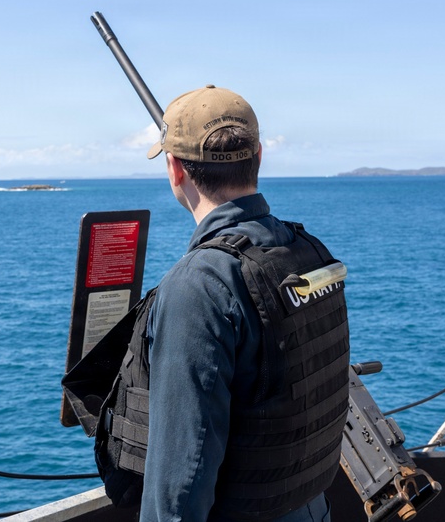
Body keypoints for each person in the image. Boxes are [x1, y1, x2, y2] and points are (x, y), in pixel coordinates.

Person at [136, 85, 351, 522]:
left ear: (175, 169)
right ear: (258, 155)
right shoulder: (309, 251)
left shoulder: (199, 286)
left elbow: (180, 482)